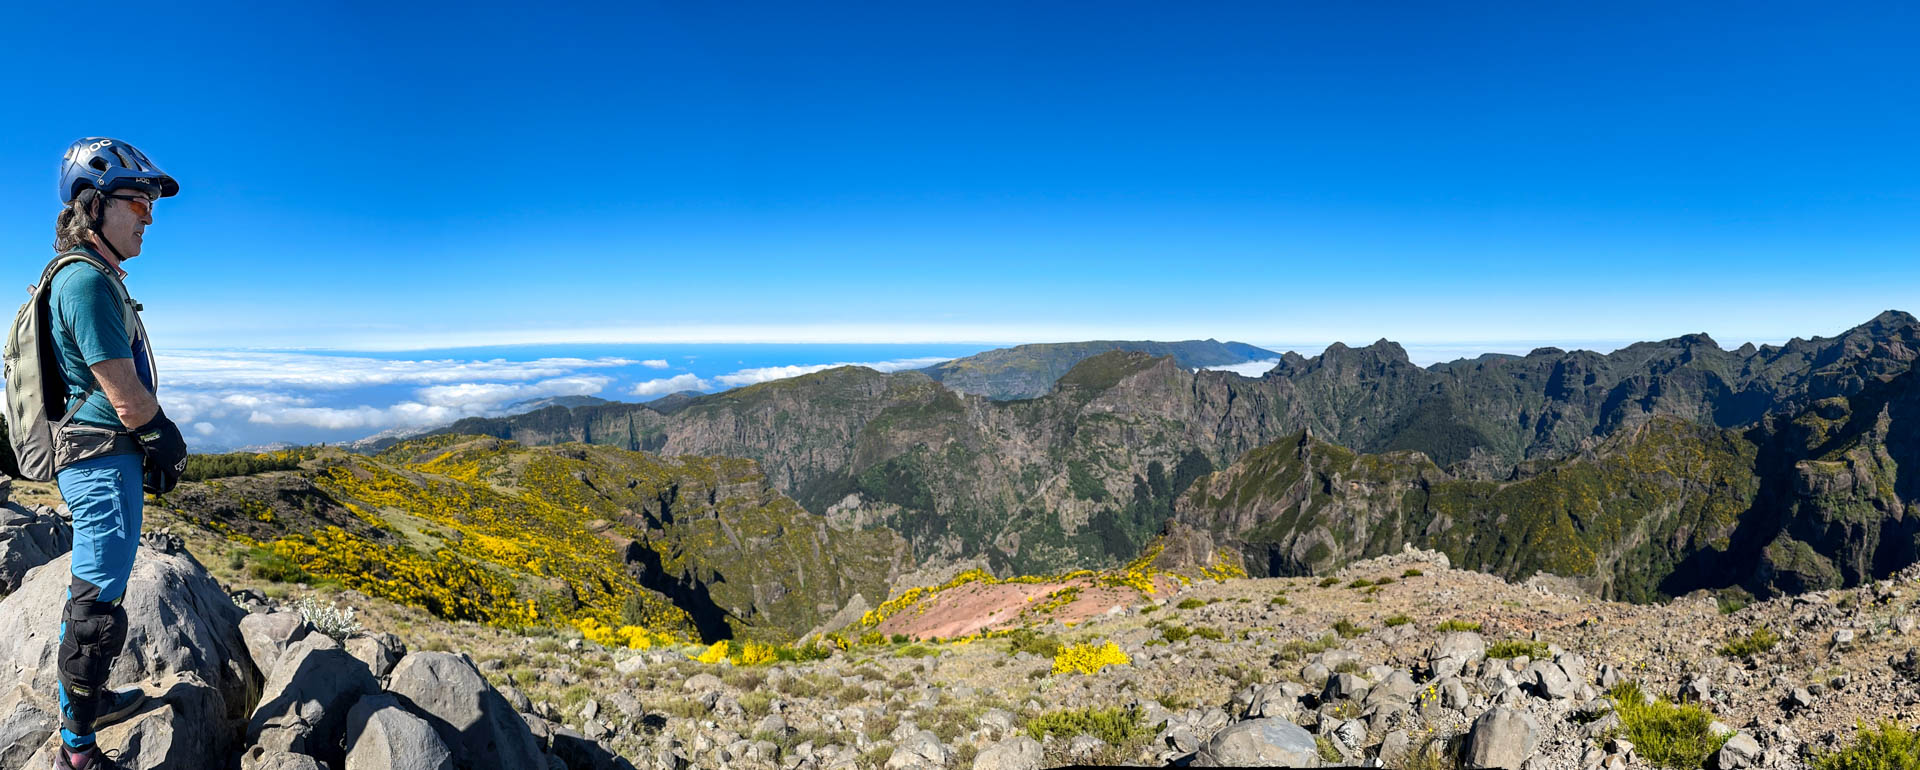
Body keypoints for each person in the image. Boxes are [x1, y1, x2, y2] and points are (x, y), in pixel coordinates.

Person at [43, 137, 189, 769]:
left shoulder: (94, 278)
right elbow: (124, 394)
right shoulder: (84, 281)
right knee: (97, 609)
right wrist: (164, 439)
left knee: (98, 592)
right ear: (93, 204)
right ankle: (77, 749)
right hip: (100, 457)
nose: (148, 217)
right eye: (137, 201)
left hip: (107, 454)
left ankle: (88, 702)